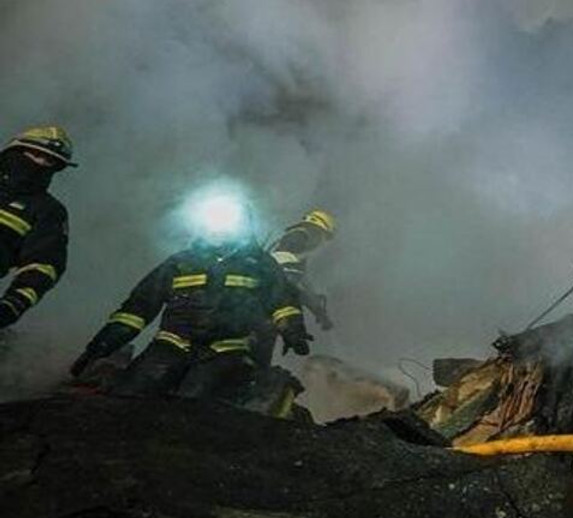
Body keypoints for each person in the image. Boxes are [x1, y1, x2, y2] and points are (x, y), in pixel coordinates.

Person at [72, 220, 310, 406]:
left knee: (193, 404)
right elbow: (137, 309)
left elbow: (282, 300)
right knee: (130, 393)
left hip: (226, 351)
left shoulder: (260, 264)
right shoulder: (179, 263)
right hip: (170, 345)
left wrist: (293, 329)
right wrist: (102, 346)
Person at [0, 126, 76, 332]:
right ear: (16, 152)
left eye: (50, 161)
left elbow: (44, 265)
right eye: (36, 154)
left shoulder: (47, 211)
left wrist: (13, 304)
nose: (41, 164)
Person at [253, 209, 337, 366]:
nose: (321, 243)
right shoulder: (297, 239)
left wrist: (318, 310)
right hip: (267, 308)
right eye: (322, 236)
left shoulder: (296, 257)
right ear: (317, 230)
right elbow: (291, 284)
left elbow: (303, 283)